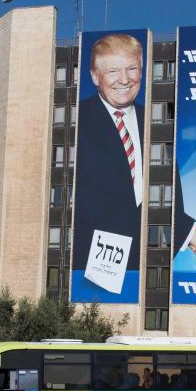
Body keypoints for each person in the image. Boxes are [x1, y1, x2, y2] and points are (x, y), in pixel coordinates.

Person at [71, 33, 145, 298]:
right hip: (90, 264)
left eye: (132, 69)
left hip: (146, 260)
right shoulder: (77, 121)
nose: (124, 79)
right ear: (94, 76)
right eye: (113, 70)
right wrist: (194, 234)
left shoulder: (156, 120)